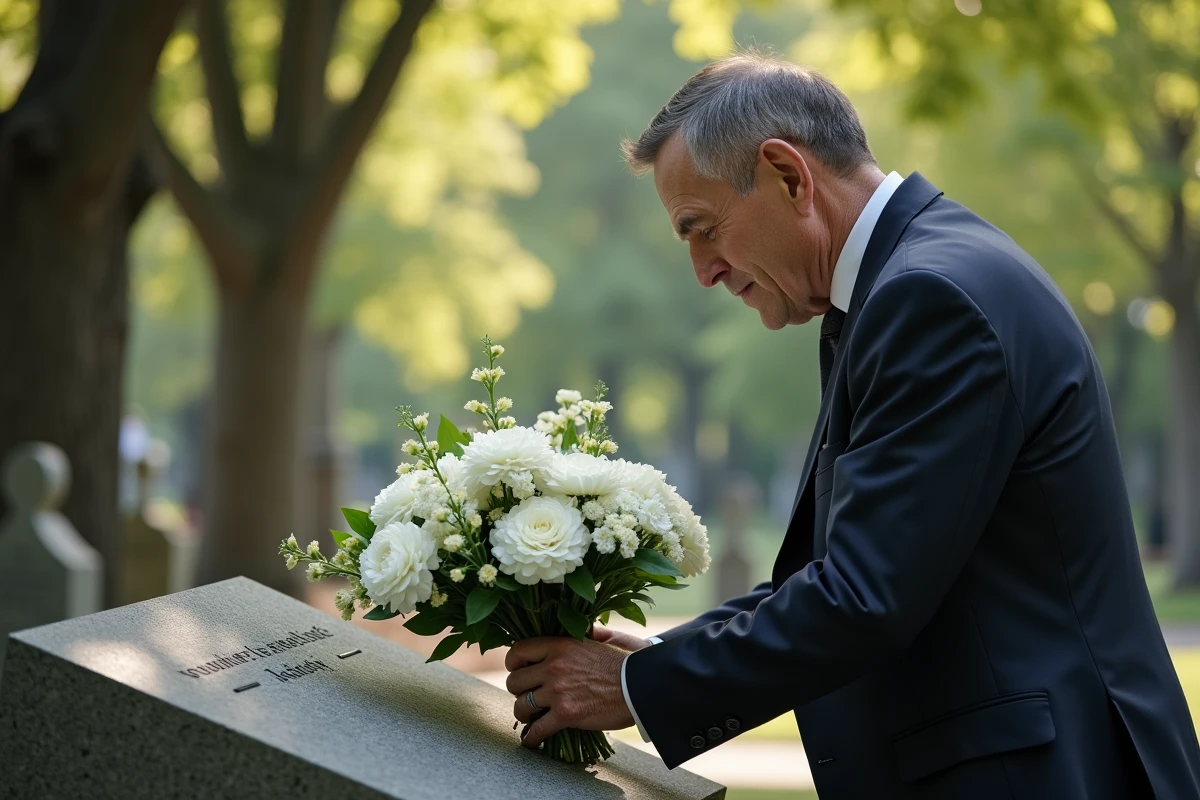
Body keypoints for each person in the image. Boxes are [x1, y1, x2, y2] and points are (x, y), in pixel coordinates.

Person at [503, 52, 1200, 798]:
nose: (703, 270)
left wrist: (639, 686)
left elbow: (865, 596)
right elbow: (853, 567)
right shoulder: (909, 283)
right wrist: (661, 654)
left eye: (702, 229)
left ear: (789, 176)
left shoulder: (930, 299)